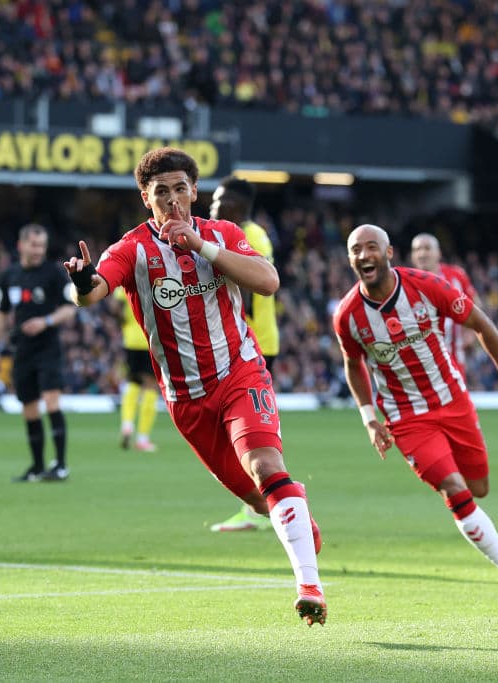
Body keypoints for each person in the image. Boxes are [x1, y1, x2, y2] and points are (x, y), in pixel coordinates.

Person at [62, 147, 325, 626]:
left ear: (194, 192)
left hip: (240, 373)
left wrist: (199, 247)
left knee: (266, 466)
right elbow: (96, 289)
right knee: (257, 496)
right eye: (161, 192)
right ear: (146, 198)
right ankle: (298, 521)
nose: (173, 200)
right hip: (186, 401)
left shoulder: (223, 234)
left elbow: (268, 282)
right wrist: (82, 283)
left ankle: (309, 585)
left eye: (180, 189)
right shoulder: (131, 248)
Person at [333, 223, 498, 603]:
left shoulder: (427, 286)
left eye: (371, 247)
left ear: (389, 252)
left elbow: (481, 324)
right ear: (349, 259)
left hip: (453, 402)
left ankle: (495, 545)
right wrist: (369, 416)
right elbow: (352, 364)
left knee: (479, 488)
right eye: (356, 250)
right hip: (407, 419)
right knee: (456, 490)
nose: (364, 256)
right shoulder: (348, 315)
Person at [208, 176, 277, 533]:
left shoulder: (248, 235)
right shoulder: (247, 233)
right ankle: (265, 501)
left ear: (239, 206)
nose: (214, 207)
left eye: (221, 202)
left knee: (247, 431)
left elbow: (250, 292)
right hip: (253, 342)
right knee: (249, 432)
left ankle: (261, 507)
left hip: (253, 345)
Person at [0, 223, 77, 482]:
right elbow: (1, 315)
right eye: (34, 245)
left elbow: (70, 308)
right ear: (21, 245)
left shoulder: (53, 274)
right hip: (21, 350)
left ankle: (60, 466)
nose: (38, 251)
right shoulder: (9, 276)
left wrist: (45, 322)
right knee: (29, 408)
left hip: (48, 348)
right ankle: (37, 467)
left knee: (51, 402)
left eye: (42, 246)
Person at [409, 233, 479, 377]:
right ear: (412, 256)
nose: (422, 253)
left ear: (438, 253)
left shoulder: (456, 276)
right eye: (417, 249)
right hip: (418, 362)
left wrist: (471, 334)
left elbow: (475, 305)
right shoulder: (404, 282)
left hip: (453, 359)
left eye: (427, 248)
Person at [113, 286, 159, 452]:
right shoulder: (151, 280)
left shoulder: (125, 285)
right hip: (149, 340)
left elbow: (116, 308)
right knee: (151, 386)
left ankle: (127, 424)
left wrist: (124, 324)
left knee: (133, 383)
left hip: (130, 340)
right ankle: (142, 438)